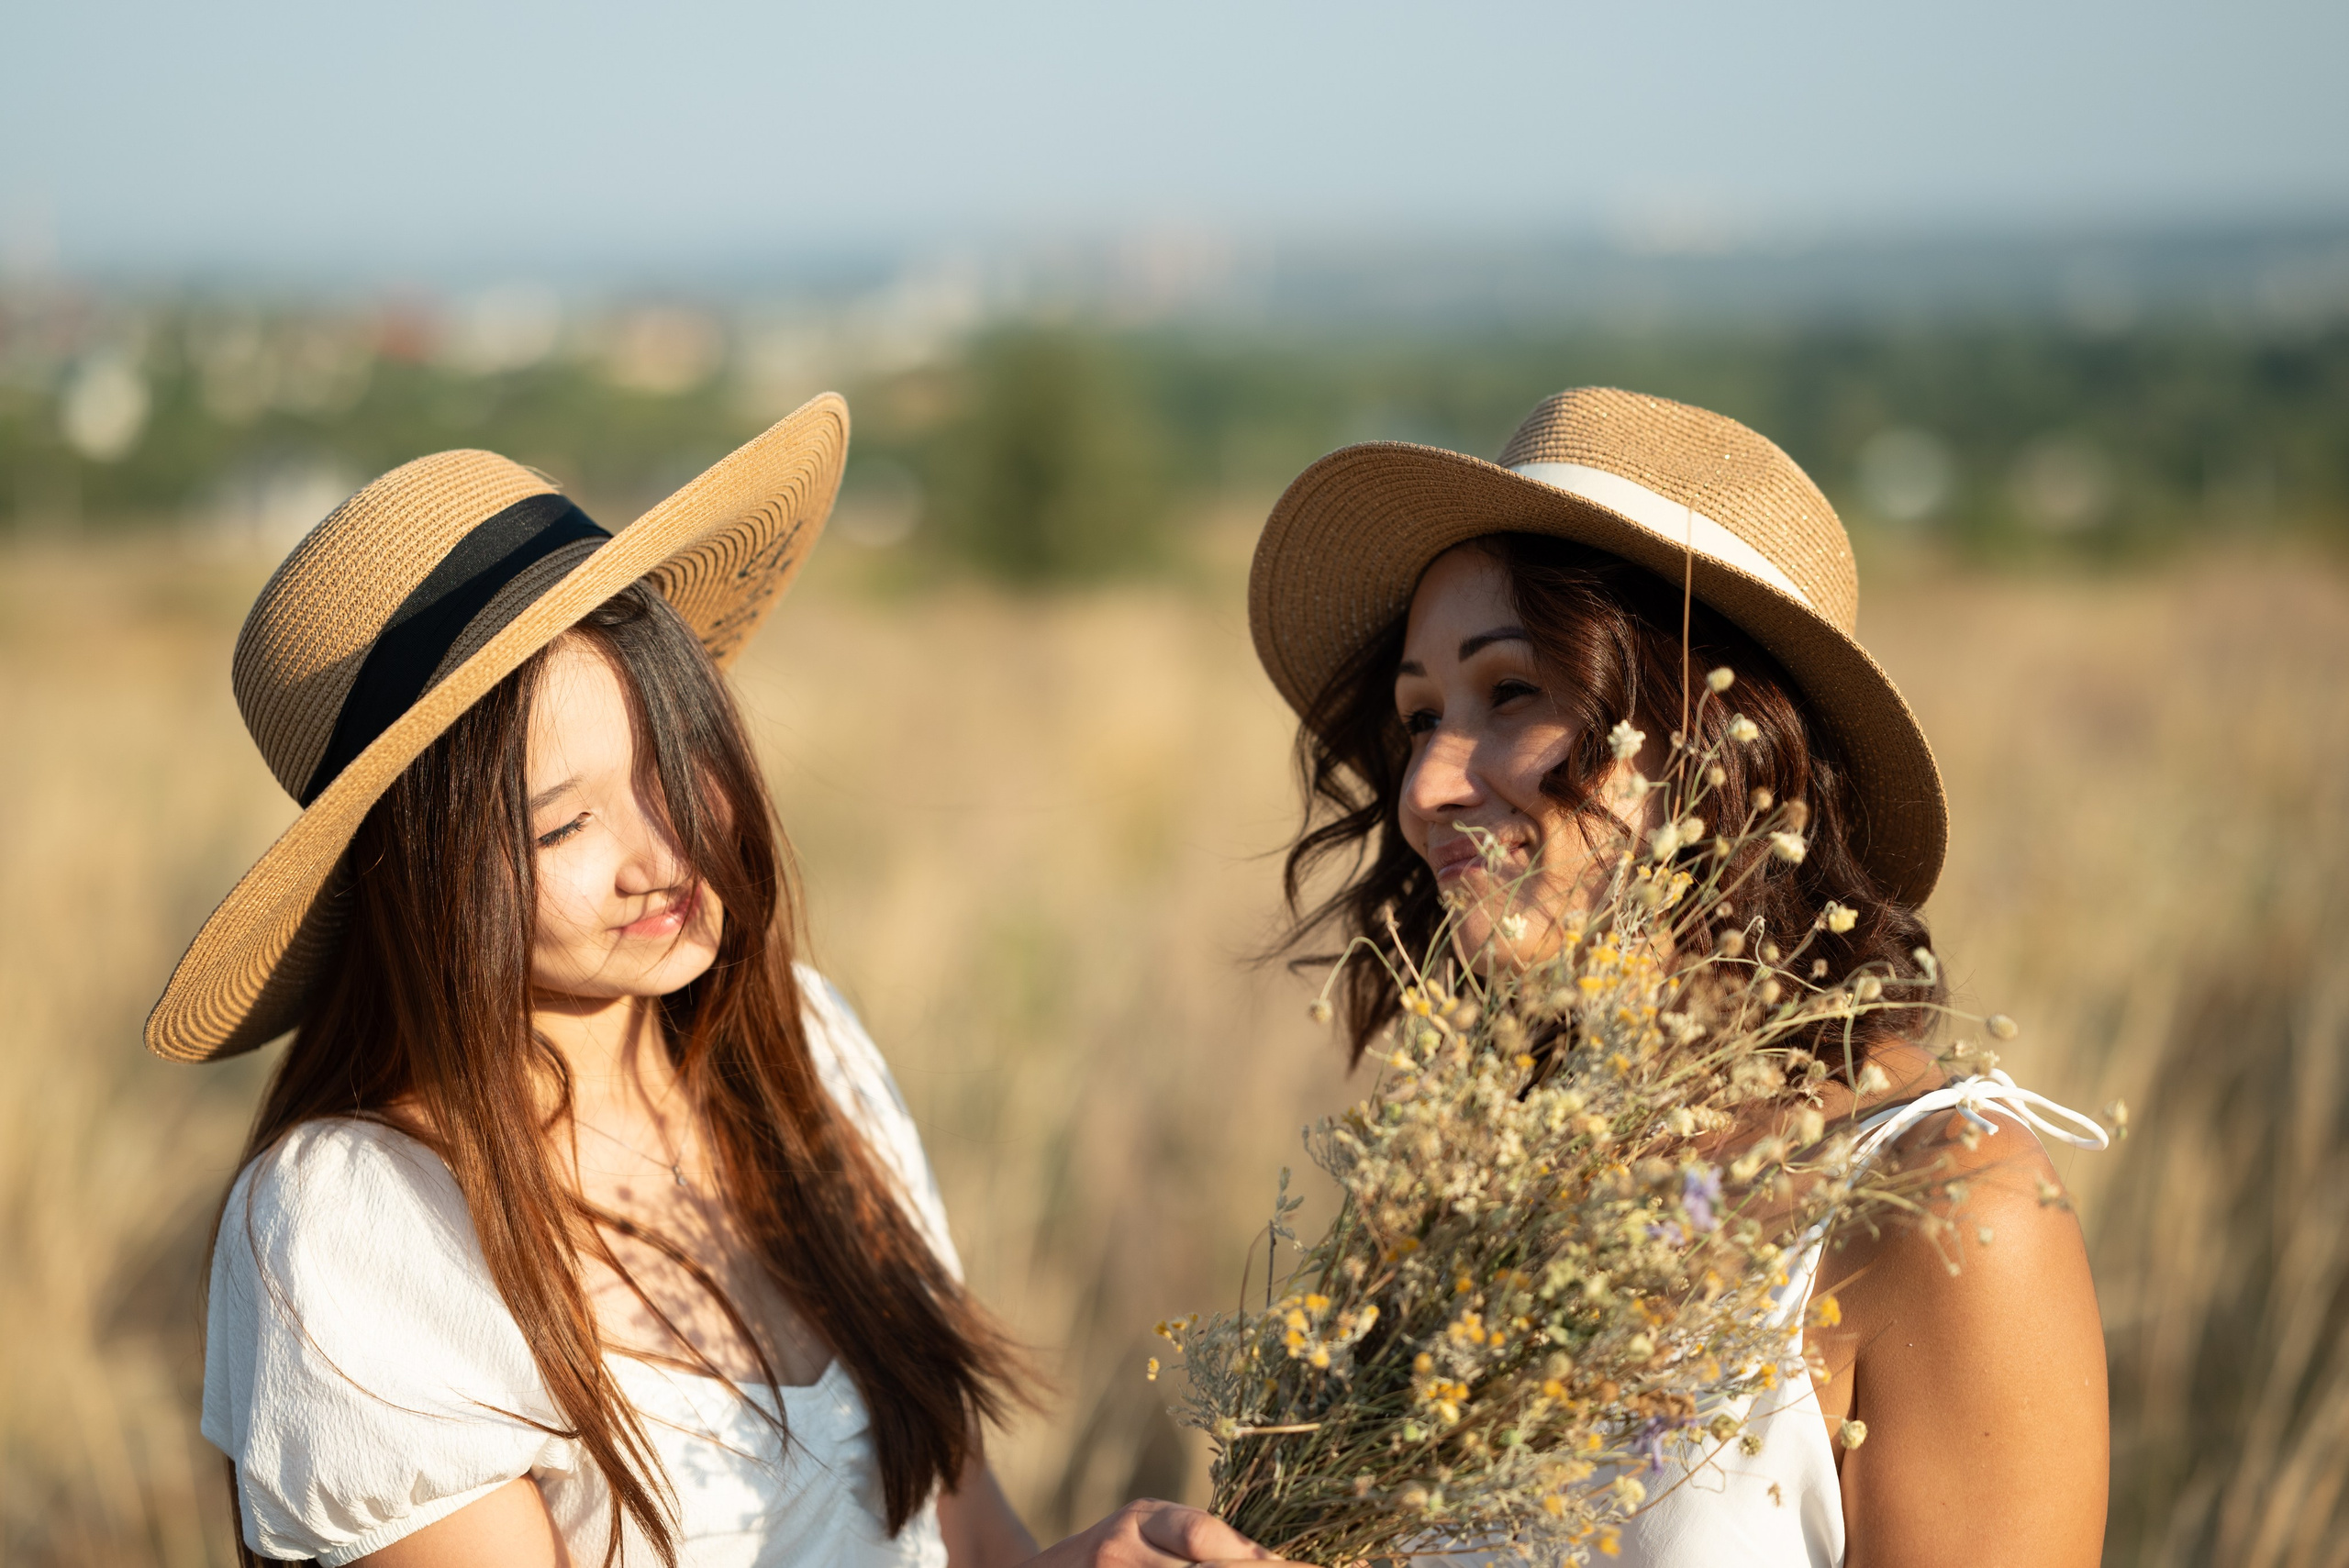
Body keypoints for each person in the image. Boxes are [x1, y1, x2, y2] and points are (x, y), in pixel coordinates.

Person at [161, 396, 1291, 1568]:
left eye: (674, 761)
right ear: (422, 881)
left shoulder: (809, 1045)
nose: (663, 854)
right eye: (564, 825)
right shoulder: (361, 1221)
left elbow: (969, 1537)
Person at [1246, 387, 2111, 1565]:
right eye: (1416, 717)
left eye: (1510, 692)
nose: (1427, 786)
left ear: (1720, 735)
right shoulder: (1479, 1167)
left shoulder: (1939, 1201)